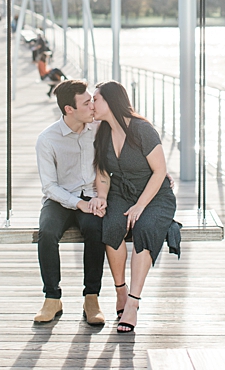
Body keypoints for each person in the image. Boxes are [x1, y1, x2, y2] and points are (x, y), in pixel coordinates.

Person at [92, 80, 179, 333]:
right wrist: (103, 197)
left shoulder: (142, 129)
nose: (92, 104)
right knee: (112, 226)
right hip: (121, 193)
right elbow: (103, 173)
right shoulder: (103, 132)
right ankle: (121, 292)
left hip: (154, 195)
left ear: (110, 101)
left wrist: (141, 205)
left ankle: (133, 303)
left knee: (145, 228)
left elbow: (160, 171)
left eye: (95, 99)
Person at [33, 79, 106, 326]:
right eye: (87, 103)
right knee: (47, 232)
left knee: (95, 230)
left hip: (92, 196)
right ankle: (52, 298)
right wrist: (77, 203)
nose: (93, 106)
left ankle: (91, 297)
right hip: (60, 198)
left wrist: (97, 199)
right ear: (69, 109)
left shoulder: (98, 129)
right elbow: (49, 186)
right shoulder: (47, 139)